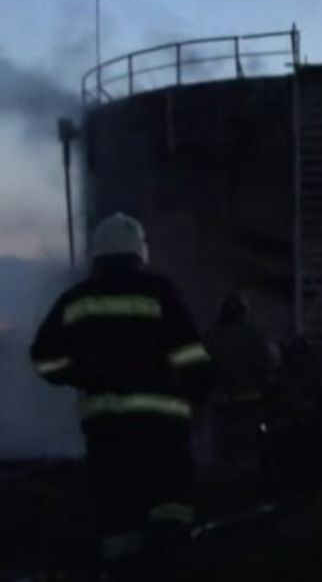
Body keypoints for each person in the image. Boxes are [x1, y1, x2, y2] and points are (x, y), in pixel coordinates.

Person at [30, 212, 211, 581]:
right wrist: (199, 394)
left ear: (97, 256)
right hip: (162, 430)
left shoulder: (76, 300)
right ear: (140, 252)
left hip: (107, 433)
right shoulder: (160, 292)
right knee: (170, 511)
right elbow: (191, 356)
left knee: (119, 525)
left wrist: (82, 375)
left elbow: (44, 359)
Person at [204, 293, 278, 470]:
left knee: (223, 447)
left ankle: (225, 475)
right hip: (251, 399)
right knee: (248, 446)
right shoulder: (255, 336)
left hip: (220, 400)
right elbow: (269, 364)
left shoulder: (210, 337)